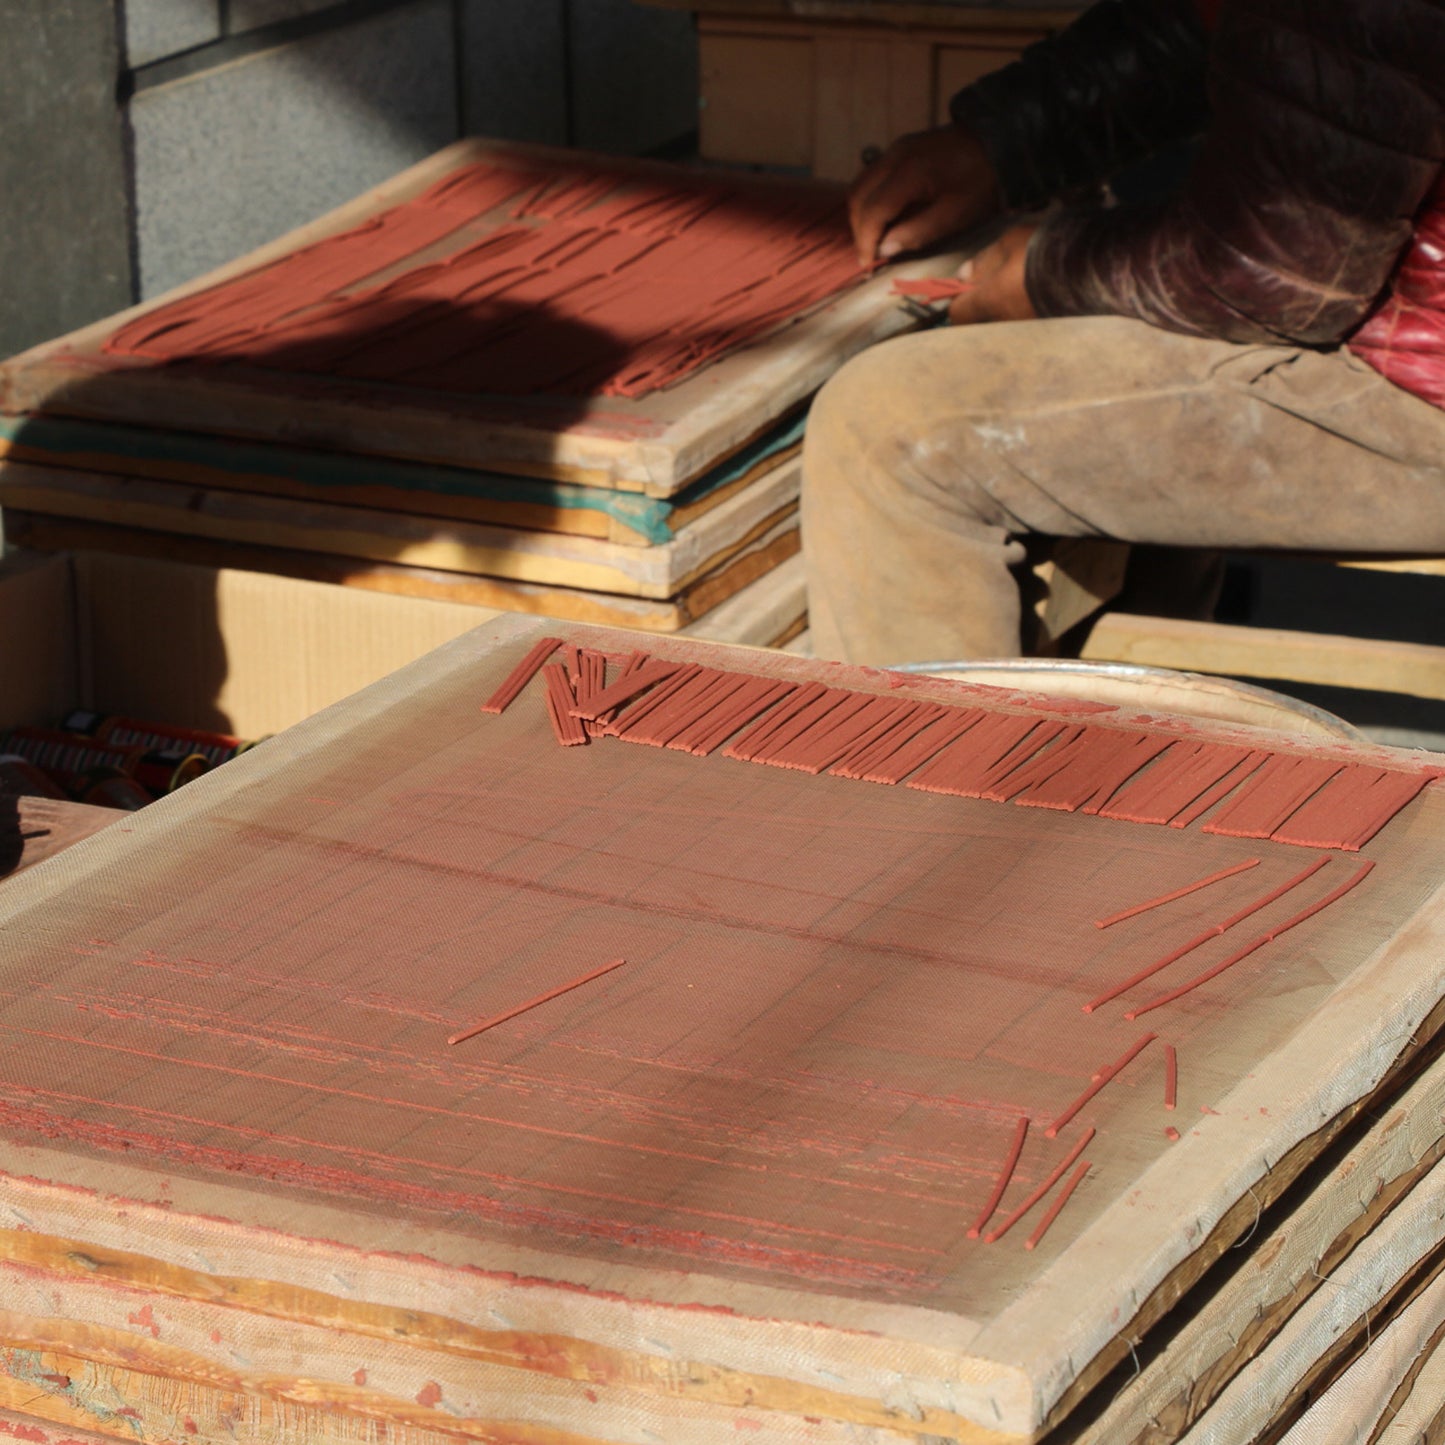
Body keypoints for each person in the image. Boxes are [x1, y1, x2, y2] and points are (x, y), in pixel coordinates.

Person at [801, 0, 1445, 664]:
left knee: (886, 425)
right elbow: (1234, 26)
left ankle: (945, 738)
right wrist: (1000, 142)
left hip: (1422, 395)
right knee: (1136, 332)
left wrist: (1044, 272)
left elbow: (1267, 271)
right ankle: (1137, 717)